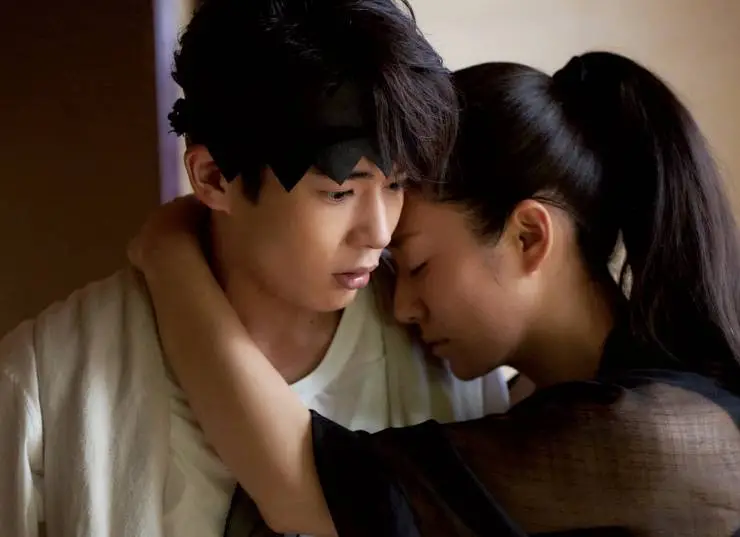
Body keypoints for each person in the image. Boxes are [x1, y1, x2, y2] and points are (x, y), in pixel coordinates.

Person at [131, 51, 740, 537]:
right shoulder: (543, 401)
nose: (401, 307)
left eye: (418, 264)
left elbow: (306, 489)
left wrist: (169, 252)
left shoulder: (651, 434)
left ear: (528, 237)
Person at [0, 1, 512, 536]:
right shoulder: (45, 380)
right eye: (339, 192)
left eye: (398, 185)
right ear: (214, 178)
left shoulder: (442, 353)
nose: (380, 233)